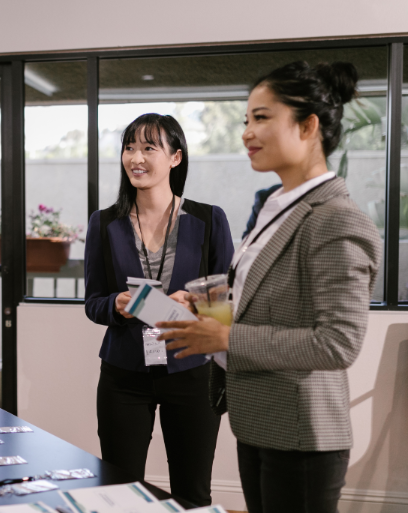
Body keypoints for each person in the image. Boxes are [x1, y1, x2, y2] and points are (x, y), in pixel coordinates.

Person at [158, 61, 381, 513]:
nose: (246, 133)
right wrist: (210, 307)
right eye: (246, 120)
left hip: (302, 435)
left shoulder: (336, 218)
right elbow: (265, 296)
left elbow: (338, 343)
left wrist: (224, 337)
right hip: (259, 421)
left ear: (308, 126)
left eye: (261, 118)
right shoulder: (275, 206)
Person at [84, 113, 234, 507]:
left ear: (175, 158)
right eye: (129, 147)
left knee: (193, 491)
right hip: (124, 374)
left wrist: (196, 301)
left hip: (193, 372)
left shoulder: (209, 219)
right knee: (118, 490)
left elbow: (226, 303)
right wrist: (115, 305)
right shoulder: (104, 224)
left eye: (149, 147)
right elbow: (93, 301)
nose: (136, 157)